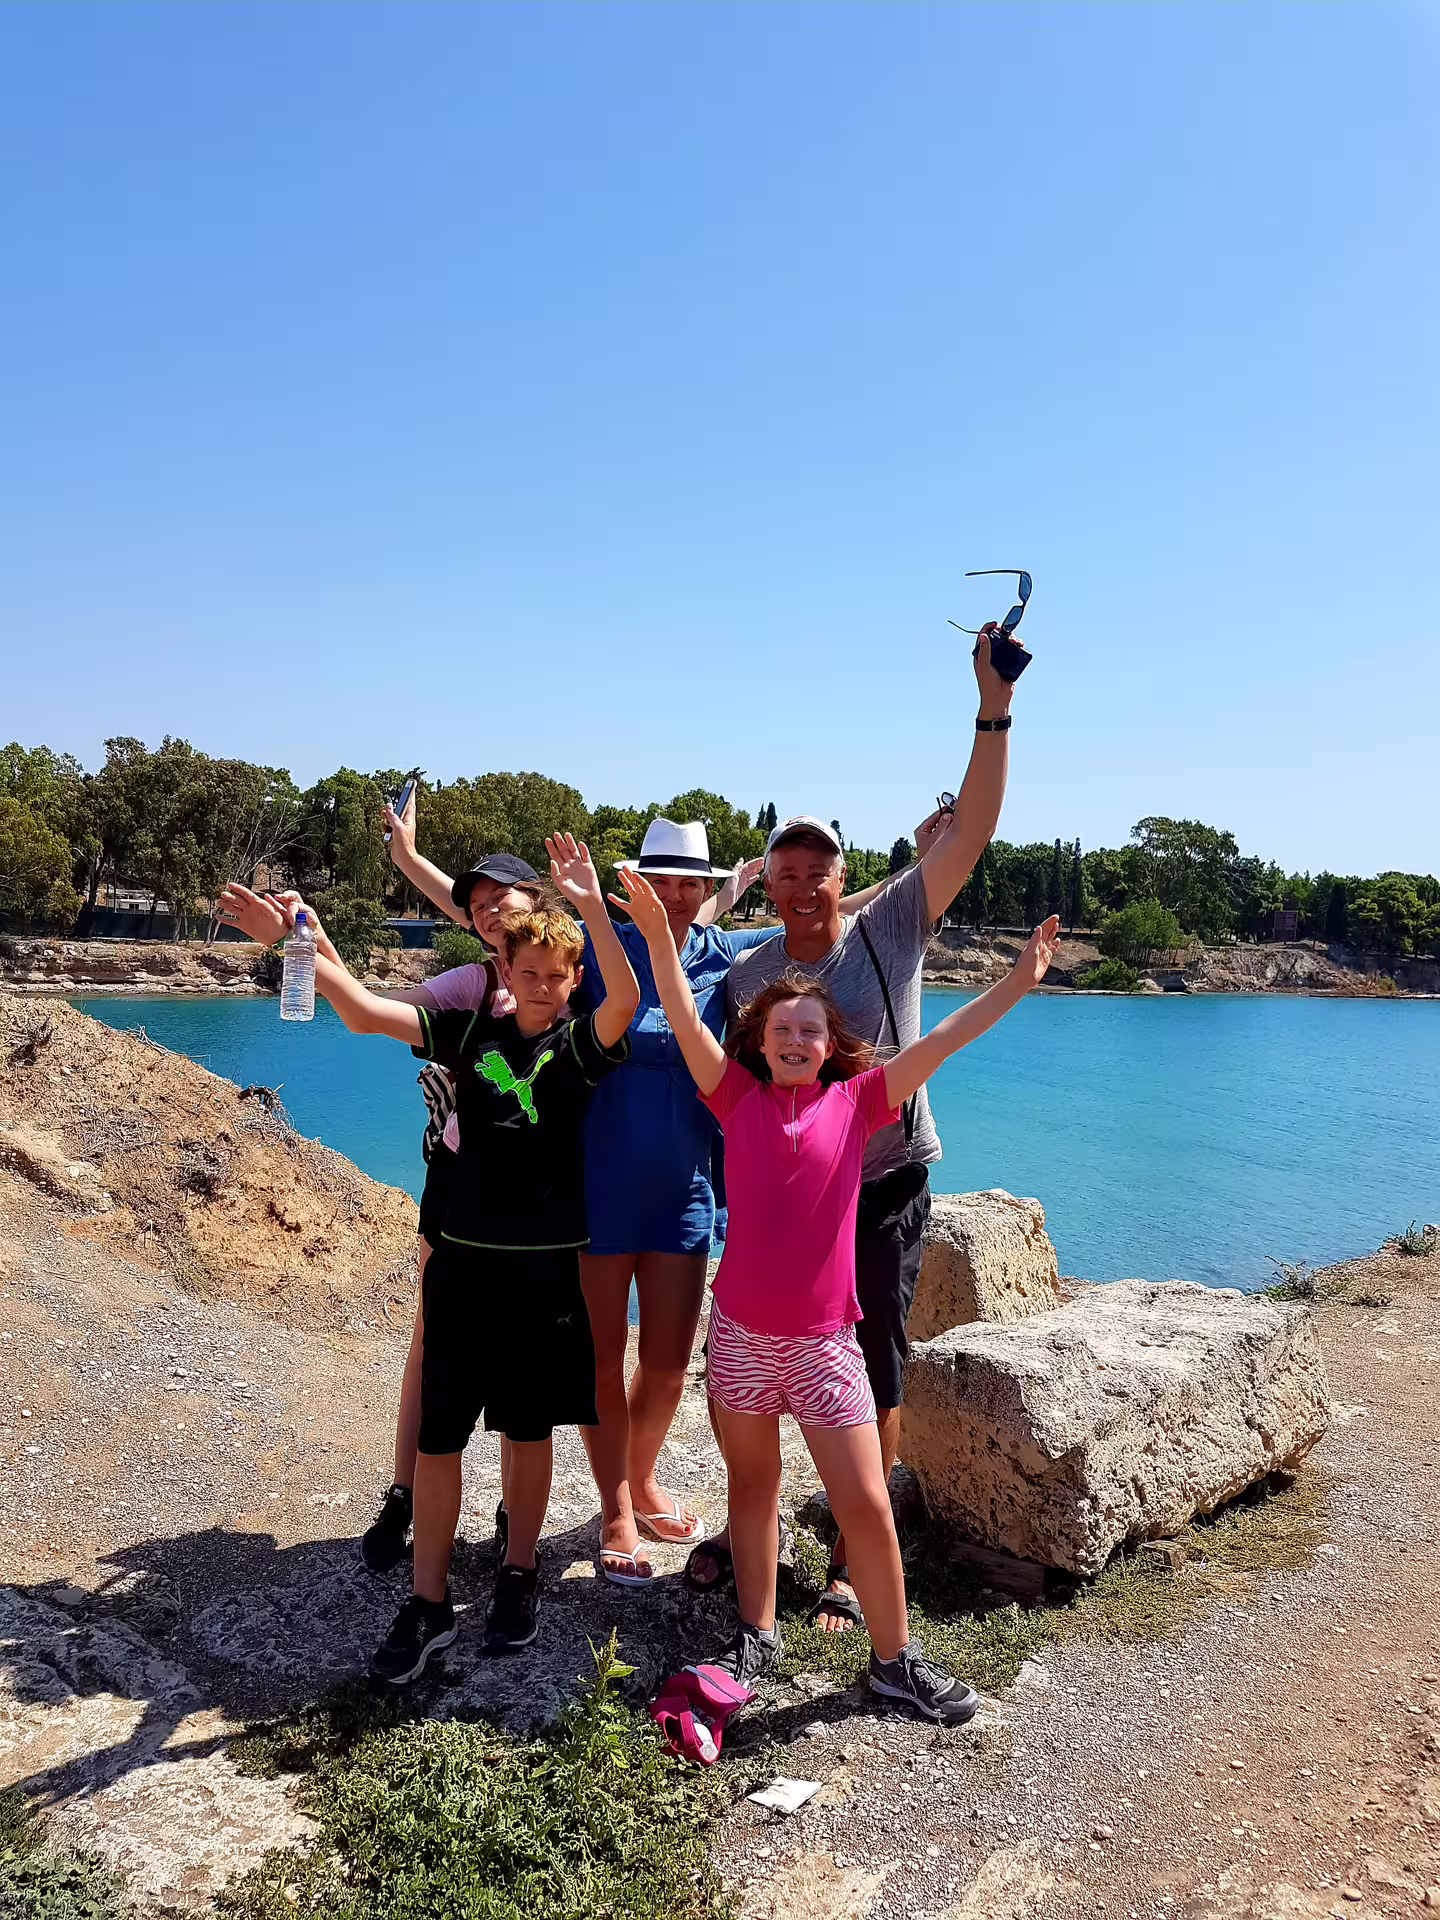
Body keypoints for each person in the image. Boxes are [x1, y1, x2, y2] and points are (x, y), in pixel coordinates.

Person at [617, 860, 1058, 1719]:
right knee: (753, 1485)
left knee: (863, 1502)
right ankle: (758, 1630)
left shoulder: (861, 1103)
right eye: (781, 1027)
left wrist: (1017, 982)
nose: (794, 1039)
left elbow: (946, 1040)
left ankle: (895, 1660)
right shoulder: (733, 1097)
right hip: (741, 1337)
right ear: (759, 1039)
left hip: (825, 1344)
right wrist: (659, 936)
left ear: (832, 1044)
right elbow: (674, 1002)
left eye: (811, 1030)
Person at [686, 627, 1020, 1628]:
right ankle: (756, 1522)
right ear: (771, 882)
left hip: (882, 1183)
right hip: (790, 1208)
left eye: (818, 867)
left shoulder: (892, 929)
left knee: (870, 1360)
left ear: (841, 878)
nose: (800, 884)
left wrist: (991, 707)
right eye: (784, 871)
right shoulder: (748, 977)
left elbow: (973, 832)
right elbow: (734, 1096)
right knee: (760, 1361)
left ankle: (847, 1549)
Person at [309, 834, 640, 1680]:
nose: (539, 985)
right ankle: (428, 1605)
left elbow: (629, 996)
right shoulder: (460, 1031)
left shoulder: (579, 1053)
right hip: (462, 1262)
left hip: (543, 1273)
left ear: (571, 984)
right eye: (525, 971)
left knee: (528, 1433)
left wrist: (593, 904)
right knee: (442, 1438)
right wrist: (297, 940)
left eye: (555, 976)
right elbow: (358, 1010)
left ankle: (519, 1574)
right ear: (506, 971)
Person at [216, 837, 546, 1574]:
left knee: (520, 1360)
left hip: (546, 1201)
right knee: (434, 1342)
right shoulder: (467, 986)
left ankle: (510, 1510)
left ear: (538, 903)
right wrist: (305, 944)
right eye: (478, 904)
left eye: (504, 896)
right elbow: (368, 1012)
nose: (490, 909)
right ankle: (406, 1493)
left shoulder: (568, 980)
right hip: (461, 1183)